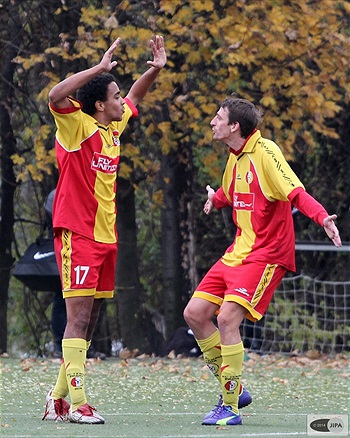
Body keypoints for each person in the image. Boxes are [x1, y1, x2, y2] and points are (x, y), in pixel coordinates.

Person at [183, 97, 342, 427]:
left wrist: (323, 217)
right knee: (194, 314)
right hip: (238, 252)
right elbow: (231, 193)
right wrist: (216, 199)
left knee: (227, 319)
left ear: (234, 126)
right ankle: (236, 388)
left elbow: (296, 192)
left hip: (267, 254)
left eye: (218, 117)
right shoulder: (235, 156)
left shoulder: (266, 152)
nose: (212, 122)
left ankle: (229, 406)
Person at [42, 35, 167, 424]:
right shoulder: (76, 127)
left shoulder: (112, 129)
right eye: (114, 96)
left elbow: (135, 97)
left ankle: (58, 396)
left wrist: (155, 69)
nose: (121, 101)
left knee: (91, 320)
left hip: (105, 239)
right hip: (77, 235)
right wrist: (97, 68)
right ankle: (78, 404)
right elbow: (55, 95)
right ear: (99, 104)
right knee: (76, 320)